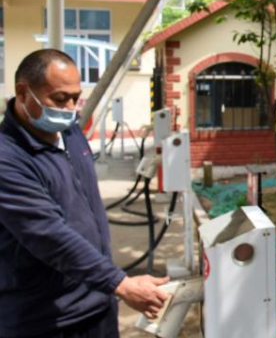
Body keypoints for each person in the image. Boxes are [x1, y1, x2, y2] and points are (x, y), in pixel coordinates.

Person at [0, 49, 169, 338]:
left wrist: (109, 285)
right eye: (59, 98)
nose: (69, 108)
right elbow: (47, 233)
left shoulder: (70, 133)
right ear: (23, 92)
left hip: (98, 305)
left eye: (75, 98)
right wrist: (122, 283)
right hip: (45, 320)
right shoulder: (8, 158)